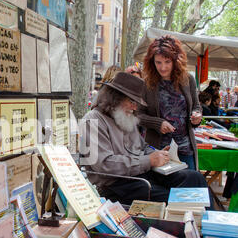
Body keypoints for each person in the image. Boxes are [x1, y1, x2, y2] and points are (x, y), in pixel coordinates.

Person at [79, 72, 211, 205]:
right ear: (115, 98)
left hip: (138, 174)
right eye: (132, 102)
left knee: (194, 178)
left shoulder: (123, 117)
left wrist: (156, 154)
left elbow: (142, 147)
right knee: (175, 199)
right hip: (115, 184)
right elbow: (105, 165)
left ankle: (208, 223)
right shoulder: (92, 121)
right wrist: (148, 161)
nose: (135, 107)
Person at [137, 35, 202, 171]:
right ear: (151, 62)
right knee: (164, 191)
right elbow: (138, 115)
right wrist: (158, 123)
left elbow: (196, 106)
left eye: (167, 62)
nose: (163, 68)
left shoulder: (188, 79)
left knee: (189, 188)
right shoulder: (147, 83)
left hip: (185, 148)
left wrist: (197, 116)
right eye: (158, 62)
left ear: (176, 61)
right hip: (159, 150)